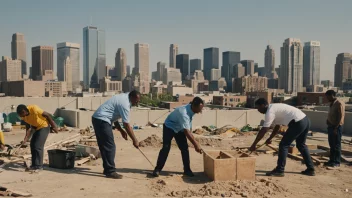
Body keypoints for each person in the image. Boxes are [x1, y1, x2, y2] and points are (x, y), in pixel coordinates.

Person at [249, 98, 315, 177]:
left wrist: (254, 145)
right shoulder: (274, 108)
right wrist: (270, 139)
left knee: (284, 145)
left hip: (297, 122)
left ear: (263, 105)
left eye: (258, 108)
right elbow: (277, 126)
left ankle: (280, 170)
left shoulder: (270, 112)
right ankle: (310, 169)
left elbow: (264, 130)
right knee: (301, 145)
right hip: (305, 120)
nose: (258, 110)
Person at [92, 90, 140, 179]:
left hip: (98, 119)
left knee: (104, 146)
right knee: (110, 146)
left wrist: (121, 130)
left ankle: (107, 169)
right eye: (136, 101)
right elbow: (126, 124)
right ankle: (110, 171)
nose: (137, 103)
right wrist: (135, 140)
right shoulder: (124, 104)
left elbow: (114, 116)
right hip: (102, 120)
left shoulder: (125, 96)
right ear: (132, 97)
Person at [152, 97, 204, 177]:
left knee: (184, 148)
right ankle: (157, 169)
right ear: (194, 106)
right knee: (166, 148)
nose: (200, 111)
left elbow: (188, 128)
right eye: (199, 109)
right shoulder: (183, 113)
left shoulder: (192, 110)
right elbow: (186, 131)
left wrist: (194, 141)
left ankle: (187, 170)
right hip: (169, 127)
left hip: (180, 128)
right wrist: (196, 144)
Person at [17, 104, 58, 172]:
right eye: (21, 115)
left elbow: (47, 115)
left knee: (38, 146)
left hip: (44, 126)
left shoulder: (34, 108)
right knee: (32, 145)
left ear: (25, 110)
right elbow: (28, 127)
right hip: (35, 128)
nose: (22, 116)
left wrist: (54, 126)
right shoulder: (23, 116)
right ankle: (34, 165)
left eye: (23, 114)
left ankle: (39, 166)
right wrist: (26, 138)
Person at [325, 90, 345, 168]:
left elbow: (341, 116)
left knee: (336, 145)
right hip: (330, 126)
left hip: (336, 127)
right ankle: (331, 160)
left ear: (332, 95)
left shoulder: (339, 103)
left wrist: (336, 128)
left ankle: (337, 162)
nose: (327, 98)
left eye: (328, 96)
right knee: (332, 145)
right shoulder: (331, 103)